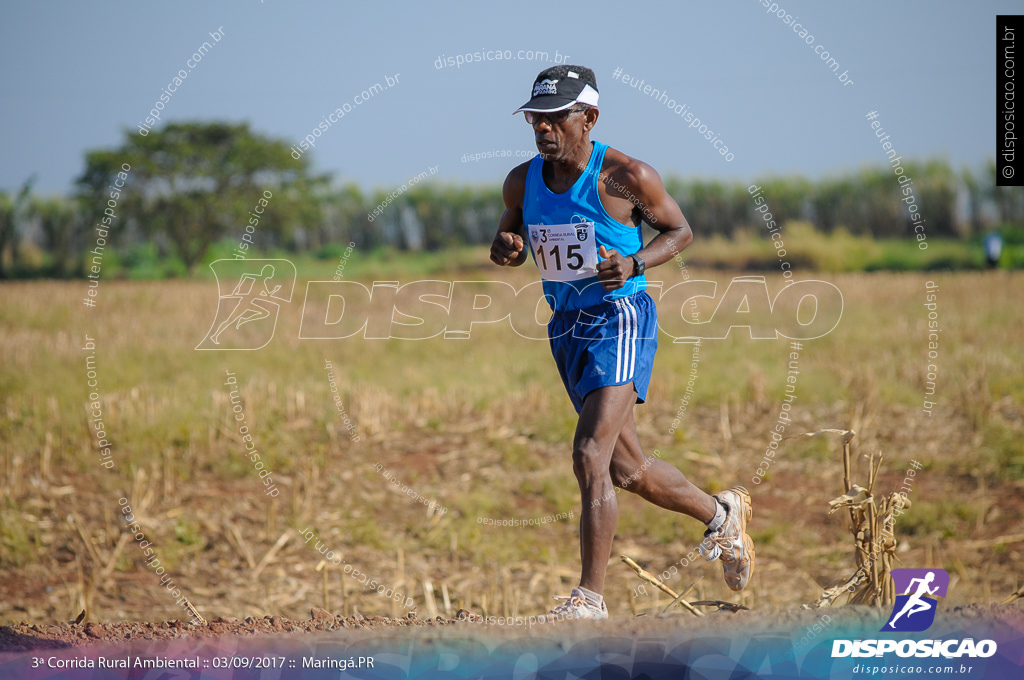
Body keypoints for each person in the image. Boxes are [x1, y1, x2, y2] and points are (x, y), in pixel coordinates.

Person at [489, 65, 755, 620]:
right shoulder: (521, 181)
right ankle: (720, 515)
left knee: (589, 453)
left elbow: (680, 232)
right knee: (624, 470)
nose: (542, 127)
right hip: (565, 325)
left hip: (620, 315)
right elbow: (512, 231)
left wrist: (634, 262)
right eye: (536, 117)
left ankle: (589, 600)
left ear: (589, 118)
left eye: (556, 117)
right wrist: (507, 244)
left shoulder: (625, 175)